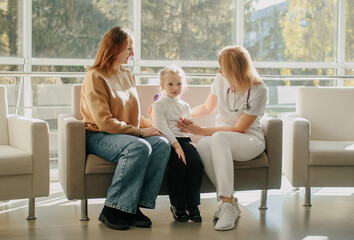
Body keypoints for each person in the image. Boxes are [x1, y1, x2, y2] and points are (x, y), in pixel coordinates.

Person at [80, 26, 171, 231]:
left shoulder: (127, 75)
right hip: (98, 134)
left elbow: (131, 115)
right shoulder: (95, 77)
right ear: (114, 47)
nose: (133, 53)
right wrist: (140, 132)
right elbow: (104, 121)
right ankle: (112, 209)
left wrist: (157, 128)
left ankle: (132, 207)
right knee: (139, 147)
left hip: (122, 133)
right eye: (129, 48)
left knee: (161, 145)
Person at [177, 45, 268, 231]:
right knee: (203, 145)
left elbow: (239, 128)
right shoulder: (221, 79)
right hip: (222, 137)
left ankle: (227, 206)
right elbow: (206, 108)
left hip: (250, 140)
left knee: (216, 138)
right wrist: (182, 116)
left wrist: (200, 130)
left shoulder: (259, 89)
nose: (219, 71)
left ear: (235, 69)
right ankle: (230, 203)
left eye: (223, 68)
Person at [150, 66, 204, 223]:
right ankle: (178, 206)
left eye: (179, 84)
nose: (175, 88)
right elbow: (161, 127)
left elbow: (186, 128)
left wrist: (187, 125)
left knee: (196, 165)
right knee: (178, 166)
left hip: (184, 140)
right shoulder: (159, 105)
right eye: (171, 84)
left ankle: (193, 205)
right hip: (168, 141)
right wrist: (176, 145)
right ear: (162, 85)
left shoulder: (185, 105)